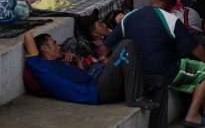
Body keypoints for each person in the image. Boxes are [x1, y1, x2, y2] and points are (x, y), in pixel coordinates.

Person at [104, 0, 205, 128]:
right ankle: (193, 116)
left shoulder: (130, 16)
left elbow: (107, 46)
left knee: (175, 69)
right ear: (172, 7)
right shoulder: (170, 19)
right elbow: (194, 48)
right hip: (163, 72)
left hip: (134, 74)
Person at [23, 31, 158, 112]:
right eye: (53, 43)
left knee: (154, 77)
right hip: (97, 92)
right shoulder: (40, 66)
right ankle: (134, 98)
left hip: (97, 83)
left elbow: (82, 77)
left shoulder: (59, 63)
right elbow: (28, 36)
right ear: (44, 49)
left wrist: (77, 63)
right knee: (126, 45)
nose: (58, 46)